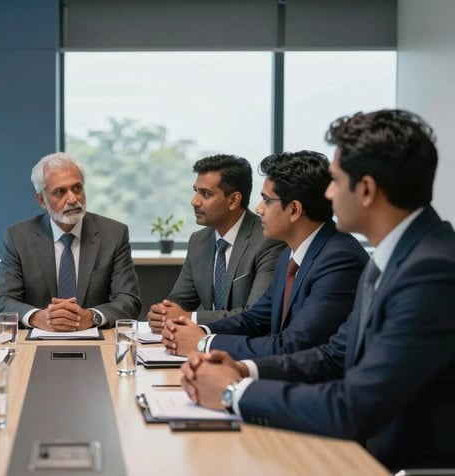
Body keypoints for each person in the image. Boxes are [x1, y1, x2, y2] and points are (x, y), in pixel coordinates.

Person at [180, 109, 455, 470]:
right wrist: (243, 370)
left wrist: (233, 391)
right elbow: (333, 356)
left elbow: (354, 405)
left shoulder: (430, 271)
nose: (327, 192)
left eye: (336, 181)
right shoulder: (391, 258)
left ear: (367, 190)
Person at [163, 151, 368, 359]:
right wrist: (201, 332)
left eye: (267, 200)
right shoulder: (290, 253)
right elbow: (255, 319)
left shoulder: (339, 260)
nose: (259, 209)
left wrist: (203, 343)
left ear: (294, 210)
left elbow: (292, 347)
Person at [0, 152, 141, 331]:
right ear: (42, 200)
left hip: (96, 341)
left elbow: (129, 301)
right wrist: (38, 317)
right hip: (35, 343)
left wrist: (92, 316)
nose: (72, 199)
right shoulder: (18, 237)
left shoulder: (114, 234)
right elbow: (2, 302)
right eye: (60, 192)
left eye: (77, 188)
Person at [147, 155, 286, 334]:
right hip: (203, 344)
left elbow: (255, 315)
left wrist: (190, 318)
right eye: (195, 191)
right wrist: (163, 313)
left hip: (247, 349)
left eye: (205, 194)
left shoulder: (268, 240)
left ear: (234, 200)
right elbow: (181, 299)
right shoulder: (199, 241)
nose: (194, 201)